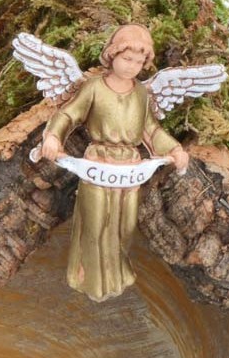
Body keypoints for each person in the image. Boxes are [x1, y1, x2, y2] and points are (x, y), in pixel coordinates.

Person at [39, 23, 189, 300]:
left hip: (130, 167)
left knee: (125, 226)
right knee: (95, 223)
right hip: (99, 162)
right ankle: (91, 280)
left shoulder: (141, 93)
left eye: (139, 62)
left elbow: (151, 131)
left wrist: (174, 149)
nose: (132, 66)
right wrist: (52, 137)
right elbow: (68, 114)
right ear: (112, 54)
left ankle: (116, 275)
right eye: (127, 58)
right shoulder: (94, 87)